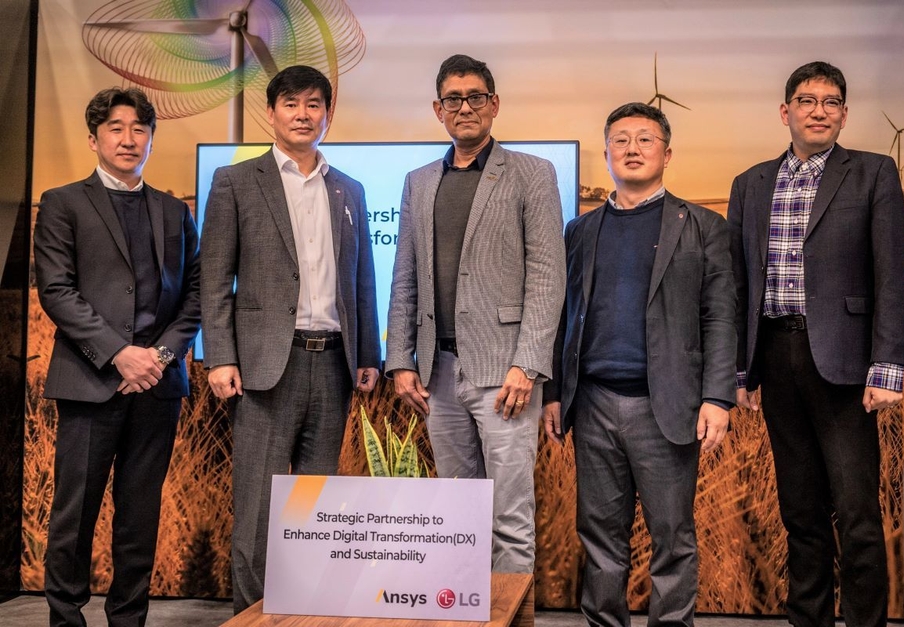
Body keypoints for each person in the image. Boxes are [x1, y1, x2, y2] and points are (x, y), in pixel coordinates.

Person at [728, 61, 904, 627]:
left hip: (846, 363)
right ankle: (807, 619)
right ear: (786, 112)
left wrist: (888, 364)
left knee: (856, 512)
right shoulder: (751, 183)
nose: (819, 111)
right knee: (800, 509)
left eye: (831, 102)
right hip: (775, 356)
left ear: (844, 115)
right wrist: (740, 371)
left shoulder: (873, 173)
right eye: (807, 101)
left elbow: (892, 273)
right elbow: (738, 284)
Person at [542, 102, 736, 627]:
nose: (632, 148)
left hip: (666, 406)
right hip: (594, 403)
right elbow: (562, 317)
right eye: (621, 139)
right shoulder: (580, 230)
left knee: (672, 537)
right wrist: (554, 393)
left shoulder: (703, 227)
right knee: (599, 536)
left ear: (667, 154)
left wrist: (718, 397)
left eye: (645, 139)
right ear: (606, 153)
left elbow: (720, 316)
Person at [200, 65, 381, 613]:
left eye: (313, 104)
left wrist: (369, 353)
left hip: (334, 366)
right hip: (265, 367)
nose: (303, 114)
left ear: (328, 113)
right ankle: (252, 618)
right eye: (291, 104)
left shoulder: (349, 189)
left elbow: (362, 279)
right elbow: (215, 277)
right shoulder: (235, 181)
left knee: (317, 509)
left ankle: (306, 615)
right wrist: (219, 356)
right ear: (271, 112)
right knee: (258, 509)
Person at [385, 54, 566, 573]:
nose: (465, 107)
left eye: (476, 97)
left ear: (494, 104)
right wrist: (400, 360)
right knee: (456, 519)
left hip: (506, 374)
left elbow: (548, 277)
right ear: (438, 109)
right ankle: (461, 608)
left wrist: (527, 364)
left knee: (509, 520)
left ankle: (512, 613)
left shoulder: (532, 173)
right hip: (437, 375)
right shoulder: (419, 181)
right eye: (454, 99)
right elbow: (405, 276)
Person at [34, 87, 200, 627]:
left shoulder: (173, 210)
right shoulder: (62, 203)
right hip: (90, 382)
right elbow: (56, 290)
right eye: (116, 128)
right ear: (94, 139)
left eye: (139, 129)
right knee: (74, 513)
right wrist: (118, 355)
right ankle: (66, 618)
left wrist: (158, 357)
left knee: (140, 514)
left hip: (157, 385)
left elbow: (196, 294)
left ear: (151, 138)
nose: (129, 139)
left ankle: (129, 620)